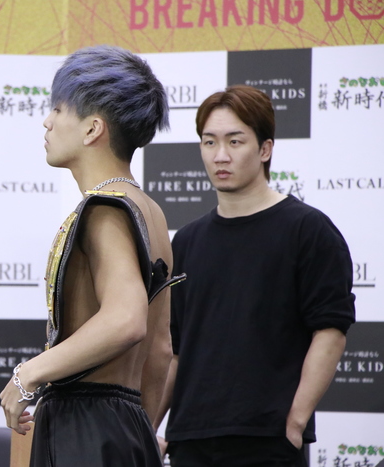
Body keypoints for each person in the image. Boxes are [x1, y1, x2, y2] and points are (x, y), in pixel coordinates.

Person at [0, 45, 184, 467]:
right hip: (128, 428)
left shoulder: (104, 207)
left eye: (58, 109)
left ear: (92, 129)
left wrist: (29, 374)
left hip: (83, 427)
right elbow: (159, 349)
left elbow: (127, 320)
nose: (47, 121)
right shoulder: (150, 212)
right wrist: (133, 431)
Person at [154, 85, 356, 466]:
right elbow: (175, 351)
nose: (221, 155)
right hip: (191, 442)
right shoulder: (188, 241)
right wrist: (149, 425)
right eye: (209, 142)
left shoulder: (307, 230)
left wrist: (295, 422)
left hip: (269, 442)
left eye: (235, 141)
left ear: (265, 149)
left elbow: (330, 331)